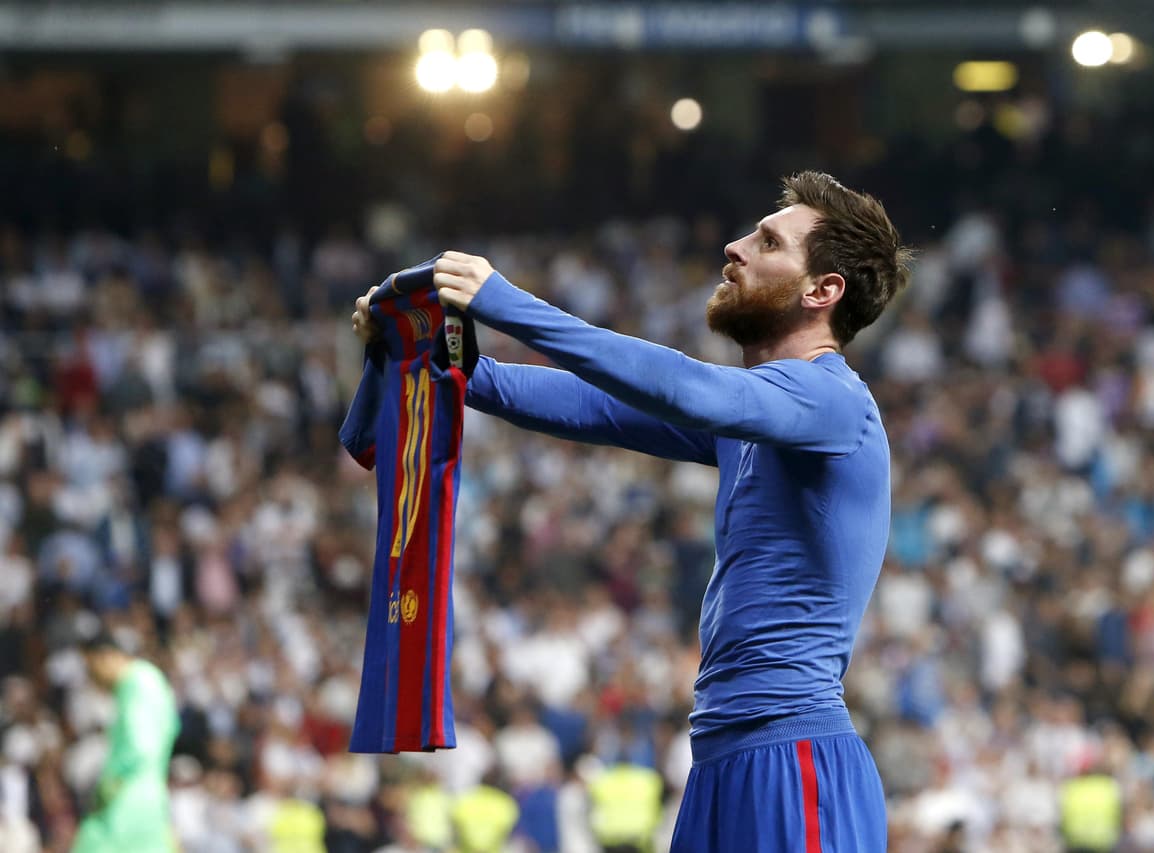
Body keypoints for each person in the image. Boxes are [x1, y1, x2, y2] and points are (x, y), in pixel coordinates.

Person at [352, 171, 910, 852]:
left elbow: (687, 389)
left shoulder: (833, 401)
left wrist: (505, 303)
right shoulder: (755, 416)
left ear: (822, 291)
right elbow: (597, 407)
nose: (734, 247)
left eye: (768, 242)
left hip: (795, 761)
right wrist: (445, 360)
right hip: (722, 756)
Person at [72, 630, 180, 853]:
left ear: (105, 657)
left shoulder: (136, 683)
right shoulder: (149, 680)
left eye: (90, 667)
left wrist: (108, 785)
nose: (91, 677)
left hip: (128, 800)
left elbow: (139, 745)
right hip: (151, 798)